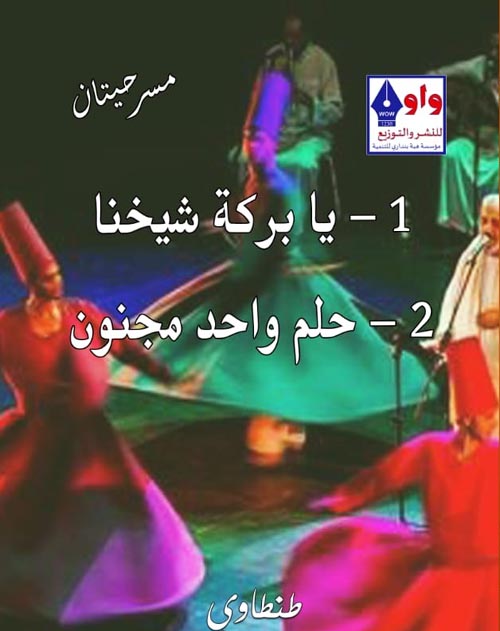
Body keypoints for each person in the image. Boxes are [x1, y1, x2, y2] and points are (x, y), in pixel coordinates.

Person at [111, 68, 434, 467]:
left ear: (273, 143)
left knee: (292, 362)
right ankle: (279, 422)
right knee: (245, 355)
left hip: (278, 285)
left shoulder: (282, 189)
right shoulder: (253, 182)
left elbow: (275, 245)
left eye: (260, 139)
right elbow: (250, 229)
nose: (252, 147)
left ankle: (285, 422)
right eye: (248, 138)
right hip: (254, 276)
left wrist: (240, 279)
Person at [282, 336, 498, 631]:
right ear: (467, 415)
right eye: (486, 414)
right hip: (446, 573)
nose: (491, 423)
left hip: (489, 576)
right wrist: (343, 499)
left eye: (494, 414)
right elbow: (384, 476)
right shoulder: (431, 451)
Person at [0, 202, 205, 624]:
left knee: (116, 505)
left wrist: (168, 376)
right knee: (34, 516)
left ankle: (123, 589)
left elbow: (125, 347)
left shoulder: (81, 314)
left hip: (89, 437)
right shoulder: (9, 328)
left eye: (57, 273)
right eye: (46, 276)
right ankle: (44, 593)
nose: (56, 281)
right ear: (30, 281)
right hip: (39, 438)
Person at [234, 6, 344, 226]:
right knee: (244, 158)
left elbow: (336, 110)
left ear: (307, 35)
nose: (290, 42)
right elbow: (259, 102)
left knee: (302, 164)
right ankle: (251, 224)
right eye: (287, 36)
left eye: (296, 37)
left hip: (309, 135)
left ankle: (297, 228)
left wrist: (308, 102)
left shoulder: (323, 61)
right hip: (276, 134)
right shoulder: (274, 58)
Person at [434, 193, 499, 426]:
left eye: (496, 223)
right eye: (484, 221)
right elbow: (455, 294)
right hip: (474, 356)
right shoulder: (475, 250)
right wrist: (445, 332)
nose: (487, 229)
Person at [430, 33, 498, 236]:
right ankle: (461, 224)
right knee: (452, 151)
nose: (495, 53)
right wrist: (447, 110)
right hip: (478, 140)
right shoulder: (479, 68)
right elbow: (434, 76)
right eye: (494, 48)